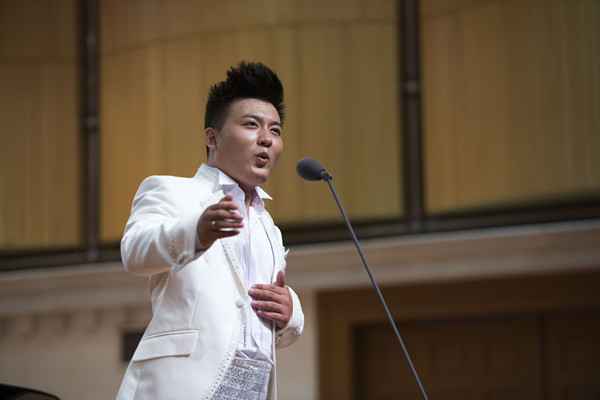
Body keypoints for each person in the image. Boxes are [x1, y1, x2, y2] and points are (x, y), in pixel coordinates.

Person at [116, 61, 304, 400]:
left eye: (275, 131)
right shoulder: (171, 191)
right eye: (251, 125)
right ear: (212, 137)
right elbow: (133, 253)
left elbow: (250, 327)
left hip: (254, 389)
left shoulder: (269, 227)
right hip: (183, 386)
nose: (266, 138)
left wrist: (291, 314)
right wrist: (195, 233)